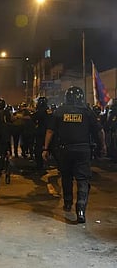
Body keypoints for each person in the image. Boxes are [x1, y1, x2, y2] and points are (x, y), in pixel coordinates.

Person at [42, 86, 106, 224]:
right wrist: (103, 146)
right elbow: (100, 131)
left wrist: (46, 149)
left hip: (65, 150)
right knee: (83, 180)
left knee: (66, 177)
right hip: (83, 150)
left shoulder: (59, 112)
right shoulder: (87, 112)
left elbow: (50, 131)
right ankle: (81, 208)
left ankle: (67, 203)